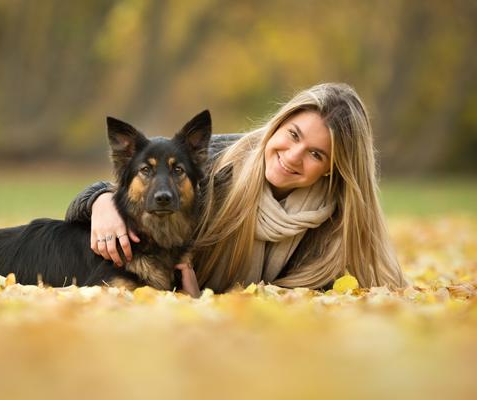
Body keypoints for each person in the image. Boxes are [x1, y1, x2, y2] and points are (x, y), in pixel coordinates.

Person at [65, 83, 408, 296]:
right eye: (293, 135)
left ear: (335, 168)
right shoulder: (223, 158)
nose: (292, 157)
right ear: (279, 124)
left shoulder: (336, 224)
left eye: (316, 154)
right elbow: (132, 185)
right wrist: (102, 201)